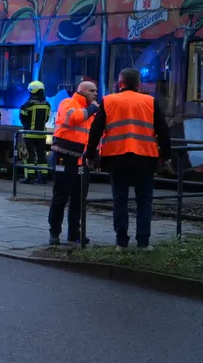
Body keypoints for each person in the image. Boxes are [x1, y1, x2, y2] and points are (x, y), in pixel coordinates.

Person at [86, 68, 171, 251]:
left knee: (120, 200)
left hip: (116, 157)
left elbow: (95, 130)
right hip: (145, 157)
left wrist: (90, 154)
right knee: (145, 200)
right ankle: (143, 242)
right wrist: (166, 155)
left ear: (120, 82)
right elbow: (163, 130)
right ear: (138, 83)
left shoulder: (108, 101)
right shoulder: (149, 101)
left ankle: (121, 242)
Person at [48, 80, 99, 246]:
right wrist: (91, 109)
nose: (96, 94)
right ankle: (54, 232)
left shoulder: (91, 111)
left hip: (82, 160)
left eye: (96, 91)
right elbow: (73, 119)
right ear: (82, 91)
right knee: (61, 196)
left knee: (79, 198)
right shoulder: (68, 103)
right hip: (66, 157)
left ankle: (74, 233)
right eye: (92, 91)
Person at [19, 80, 51, 184]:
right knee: (41, 156)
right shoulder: (47, 104)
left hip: (29, 134)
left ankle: (29, 177)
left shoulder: (28, 104)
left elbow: (22, 116)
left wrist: (26, 126)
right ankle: (43, 177)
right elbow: (46, 119)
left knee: (29, 156)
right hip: (41, 135)